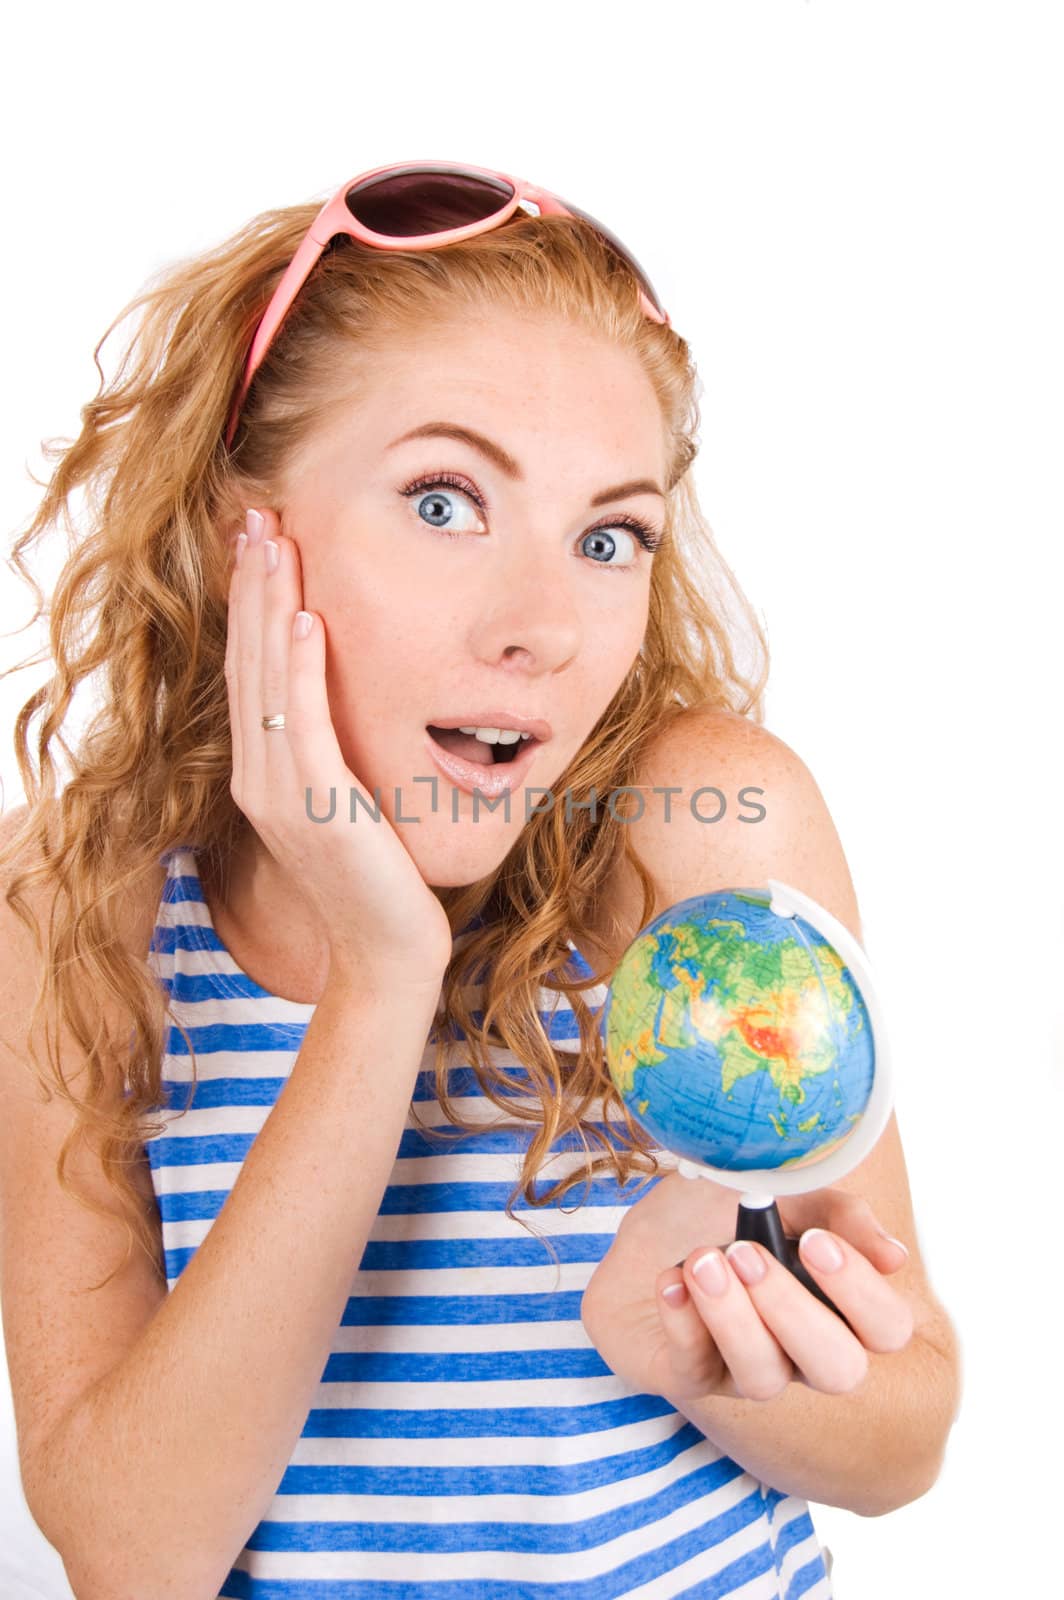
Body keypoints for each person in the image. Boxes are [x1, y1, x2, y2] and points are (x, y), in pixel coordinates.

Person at [0, 159, 960, 1598]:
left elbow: (910, 1436)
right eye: (444, 502)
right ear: (235, 531)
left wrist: (711, 1361)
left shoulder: (699, 837)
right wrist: (384, 975)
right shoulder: (75, 912)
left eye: (606, 535)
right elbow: (134, 1558)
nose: (546, 628)